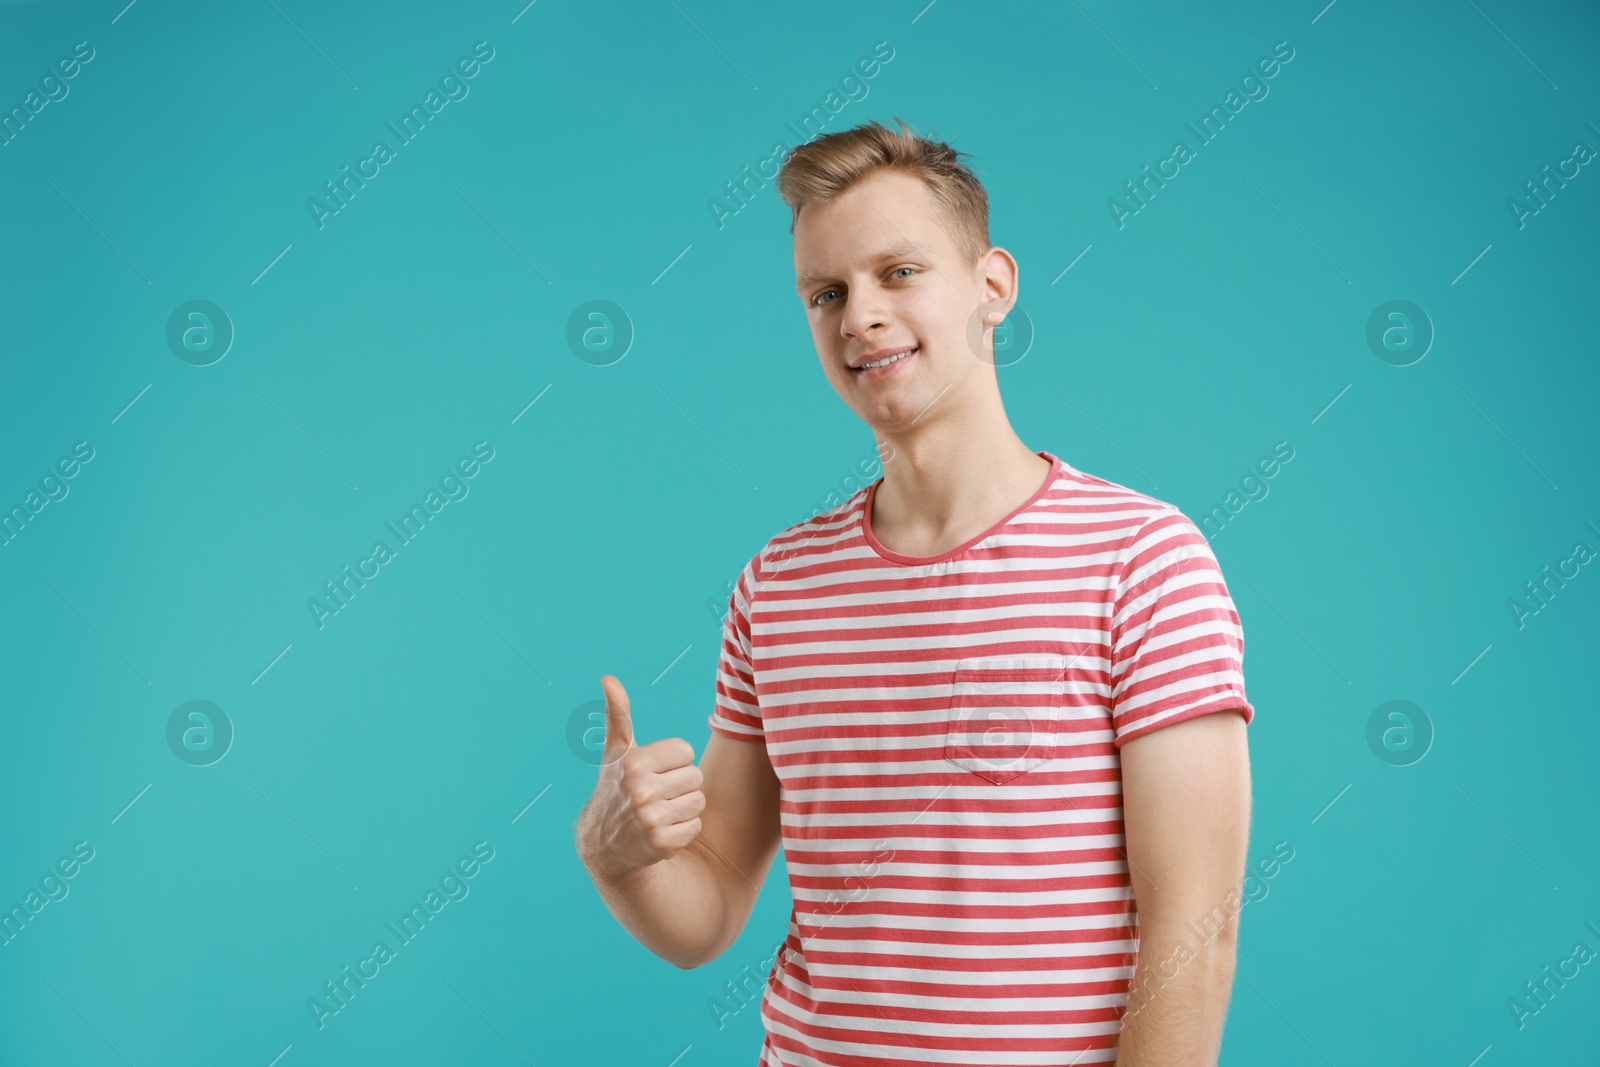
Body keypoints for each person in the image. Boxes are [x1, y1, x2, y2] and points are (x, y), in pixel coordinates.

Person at [576, 116, 1254, 1066]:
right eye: (826, 292)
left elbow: (1193, 930)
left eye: (898, 272)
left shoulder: (1144, 560)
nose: (859, 316)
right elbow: (711, 905)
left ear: (993, 287)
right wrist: (616, 861)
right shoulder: (776, 586)